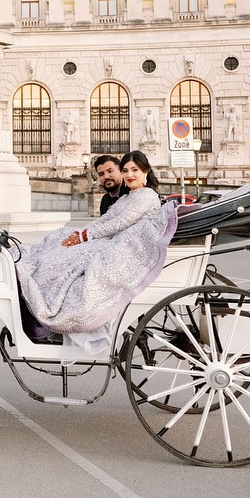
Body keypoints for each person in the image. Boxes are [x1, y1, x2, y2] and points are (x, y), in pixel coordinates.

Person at [16, 149, 179, 363]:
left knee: (67, 260)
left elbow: (119, 223)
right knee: (59, 240)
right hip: (112, 240)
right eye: (126, 170)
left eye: (134, 170)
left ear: (146, 172)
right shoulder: (129, 197)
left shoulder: (146, 196)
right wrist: (80, 234)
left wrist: (84, 236)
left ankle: (48, 307)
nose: (129, 175)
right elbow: (105, 221)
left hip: (124, 245)